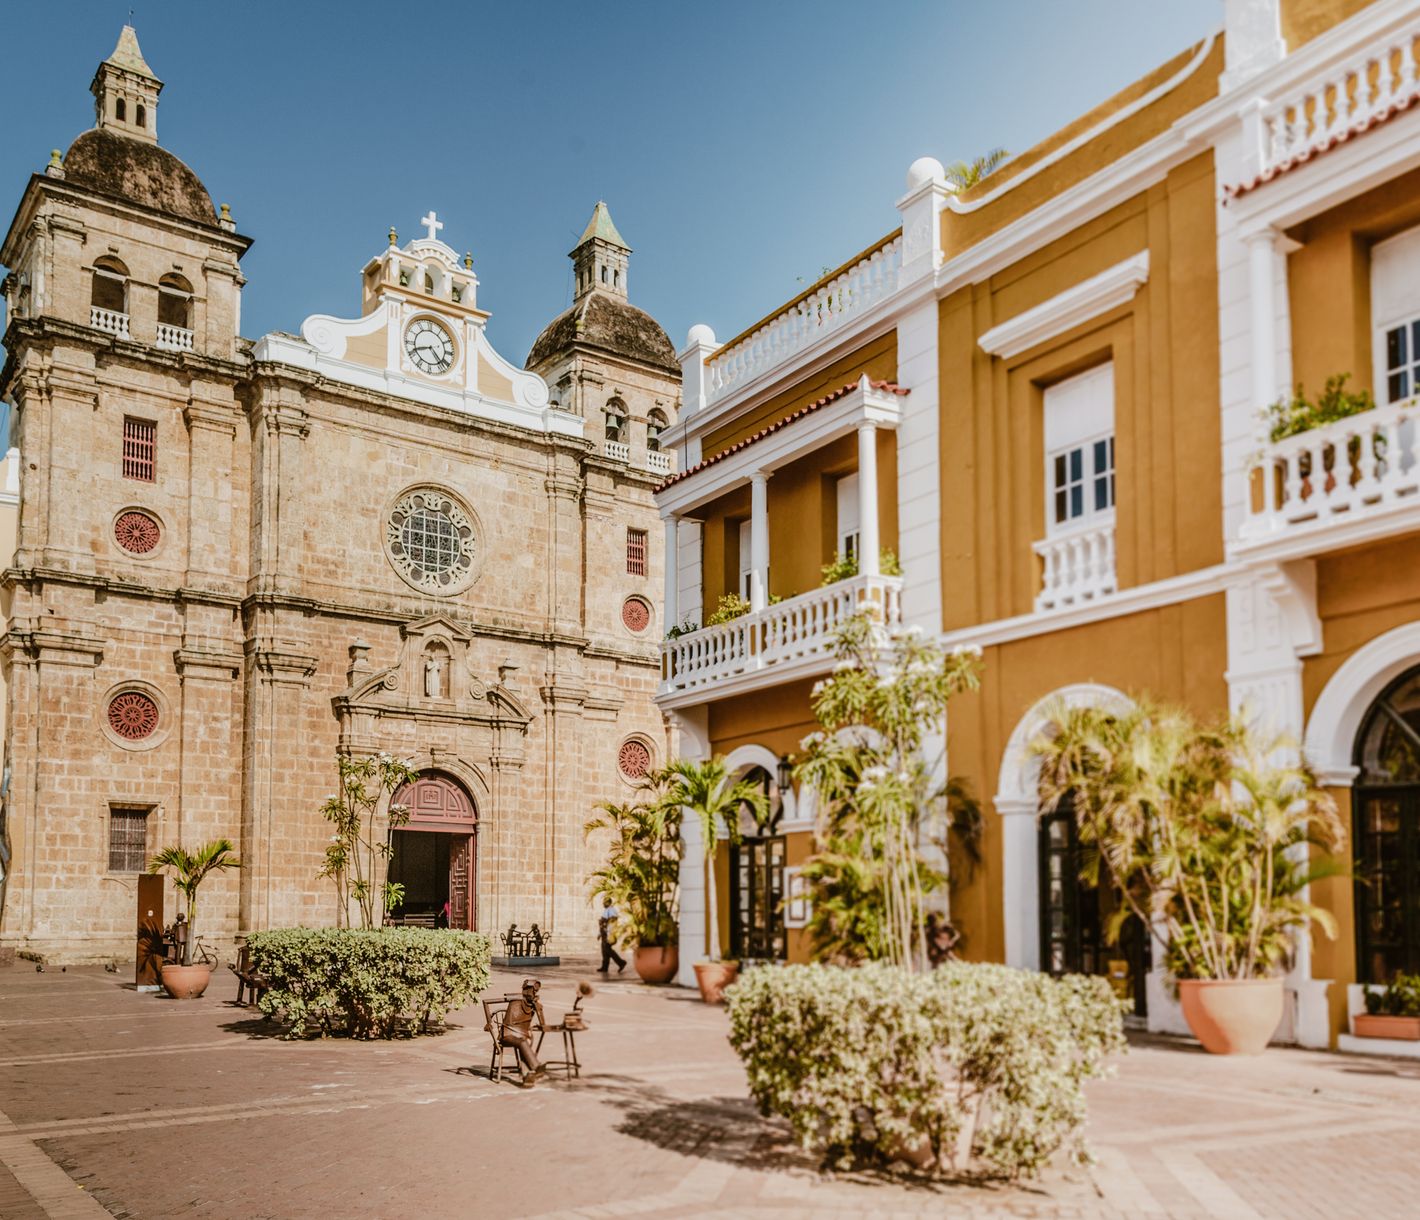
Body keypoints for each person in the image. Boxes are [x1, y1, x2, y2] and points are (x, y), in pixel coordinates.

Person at [497, 978, 547, 1084]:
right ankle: (535, 1066)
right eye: (532, 991)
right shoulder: (515, 1002)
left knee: (523, 1042)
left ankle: (528, 1075)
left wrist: (538, 1007)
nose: (534, 993)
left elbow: (542, 1023)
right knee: (522, 1042)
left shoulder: (532, 1005)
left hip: (521, 1035)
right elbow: (508, 1026)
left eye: (535, 991)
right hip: (507, 1035)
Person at [597, 895, 626, 974]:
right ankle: (605, 967)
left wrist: (609, 933)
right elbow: (602, 923)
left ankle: (621, 962)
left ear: (609, 902)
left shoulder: (611, 910)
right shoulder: (606, 910)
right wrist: (600, 933)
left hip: (608, 933)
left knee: (608, 949)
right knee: (604, 951)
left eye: (605, 902)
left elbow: (612, 923)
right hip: (604, 933)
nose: (603, 904)